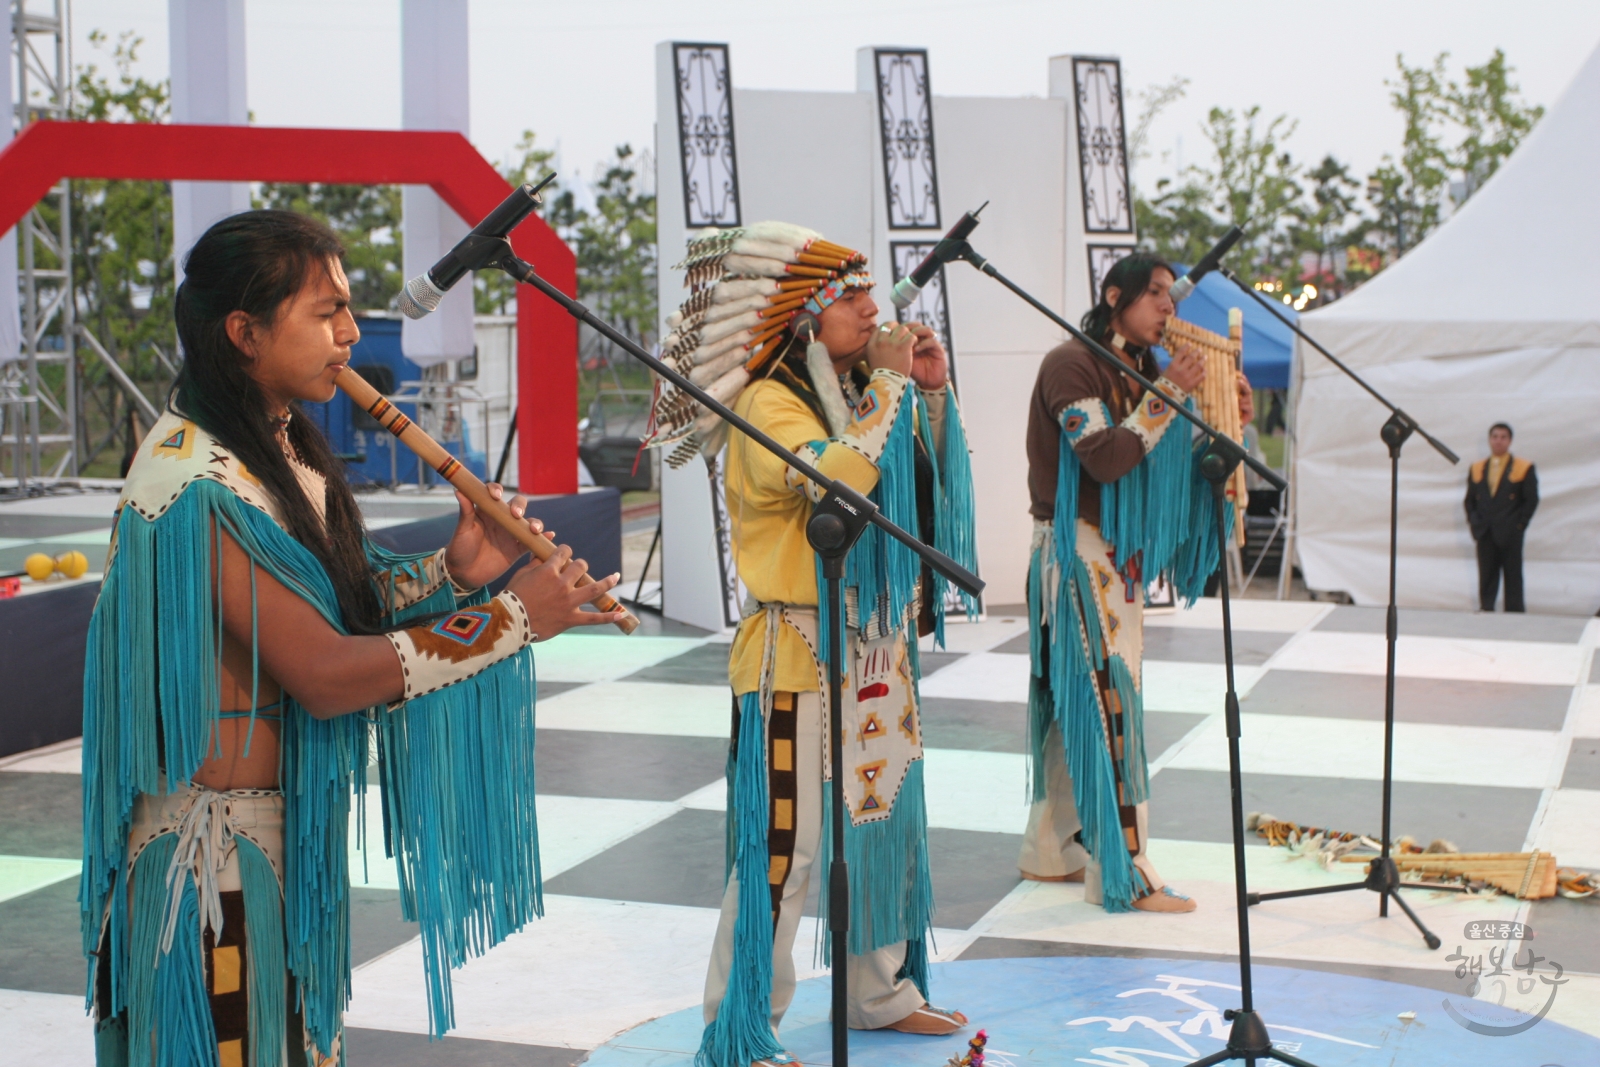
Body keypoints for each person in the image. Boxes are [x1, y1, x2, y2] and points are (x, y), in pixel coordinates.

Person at [81, 211, 626, 1066]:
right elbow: (328, 672)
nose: (348, 332)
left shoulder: (278, 449)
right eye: (325, 310)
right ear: (245, 333)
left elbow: (344, 597)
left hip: (271, 845)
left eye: (348, 308)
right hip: (205, 869)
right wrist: (510, 617)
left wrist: (455, 567)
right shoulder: (192, 483)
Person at [647, 222, 980, 1067]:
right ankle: (741, 1023)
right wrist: (897, 393)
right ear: (805, 319)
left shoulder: (866, 388)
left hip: (870, 648)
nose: (875, 309)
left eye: (872, 292)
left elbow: (916, 479)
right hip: (793, 652)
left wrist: (930, 395)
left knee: (879, 825)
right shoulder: (767, 404)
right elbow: (839, 477)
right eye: (853, 297)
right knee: (783, 854)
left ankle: (881, 991)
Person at [1018, 252, 1250, 914]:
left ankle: (1052, 849)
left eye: (1170, 296)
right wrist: (1172, 395)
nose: (1168, 308)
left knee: (1078, 709)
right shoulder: (1073, 364)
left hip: (1109, 557)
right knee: (1110, 707)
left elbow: (1163, 463)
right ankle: (1124, 869)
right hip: (1075, 552)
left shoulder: (1141, 368)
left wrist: (1222, 415)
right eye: (1154, 294)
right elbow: (1111, 458)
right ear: (1114, 295)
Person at [1465, 422, 1538, 612]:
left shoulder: (1523, 467)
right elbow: (1470, 501)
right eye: (1495, 436)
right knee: (1487, 576)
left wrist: (1519, 525)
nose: (1499, 441)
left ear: (1510, 440)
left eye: (1503, 437)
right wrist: (1475, 523)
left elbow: (1531, 500)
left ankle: (1514, 616)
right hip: (1486, 531)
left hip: (1511, 532)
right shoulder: (1477, 467)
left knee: (1513, 576)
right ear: (1490, 440)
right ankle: (1486, 611)